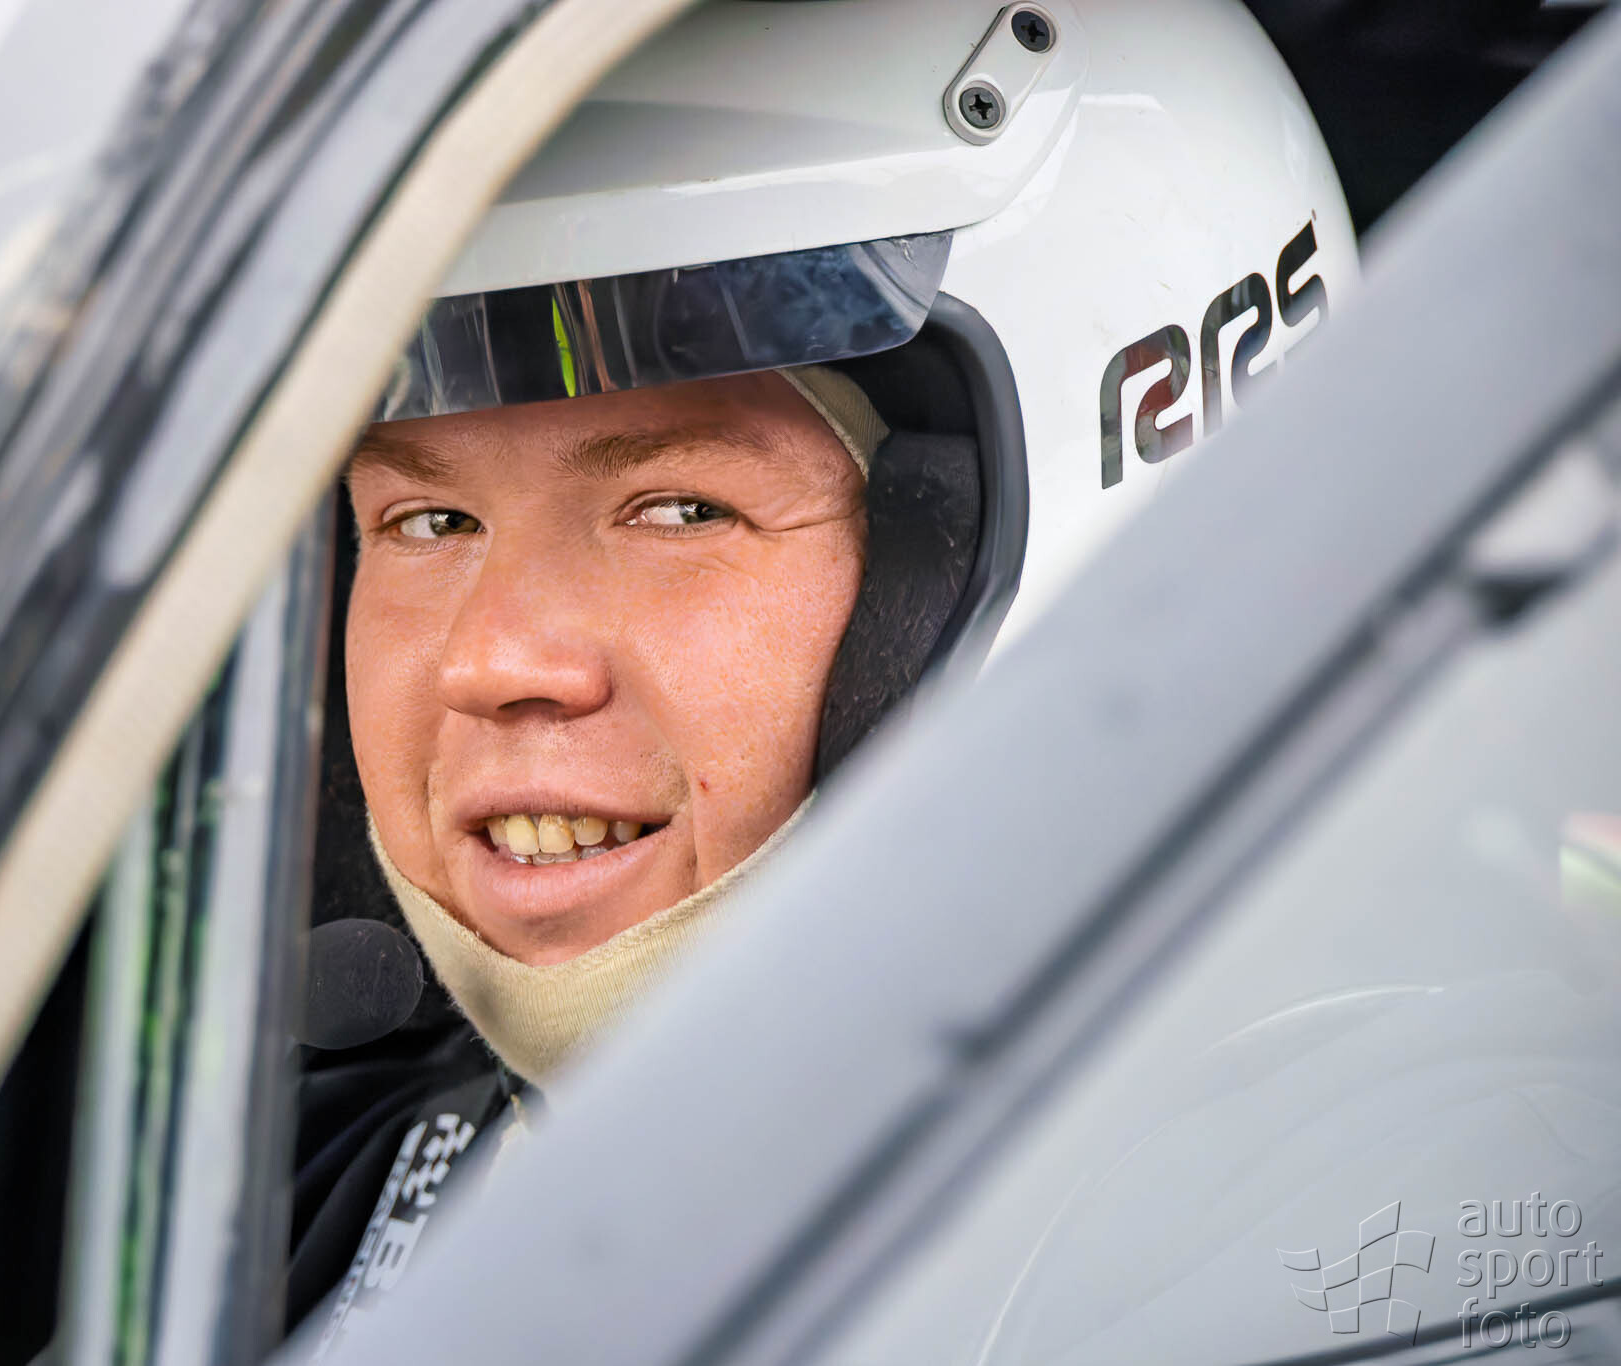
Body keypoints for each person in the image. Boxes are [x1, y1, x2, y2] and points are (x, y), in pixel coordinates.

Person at [284, 0, 1363, 1349]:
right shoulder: (281, 1203)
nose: (499, 660)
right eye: (429, 522)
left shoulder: (1380, 1217)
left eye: (682, 510)